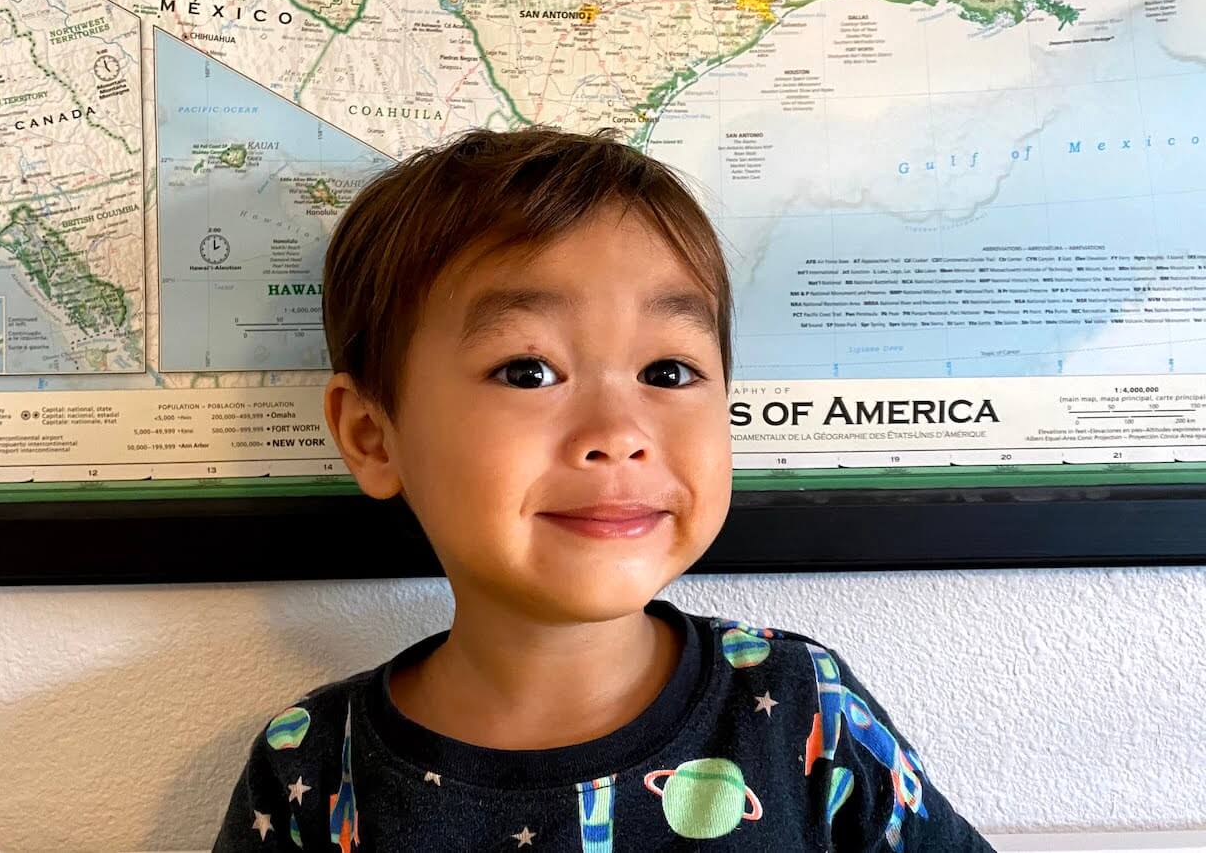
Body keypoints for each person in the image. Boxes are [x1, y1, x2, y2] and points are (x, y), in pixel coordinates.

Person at [212, 127, 991, 851]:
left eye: (668, 371)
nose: (620, 430)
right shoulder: (309, 767)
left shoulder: (800, 706)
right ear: (372, 436)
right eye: (528, 371)